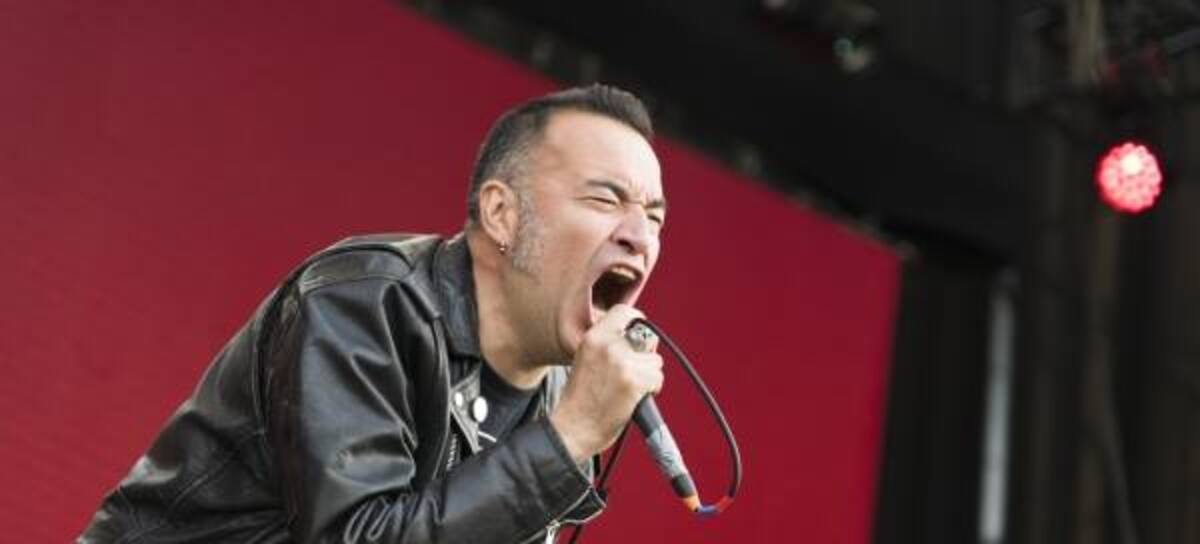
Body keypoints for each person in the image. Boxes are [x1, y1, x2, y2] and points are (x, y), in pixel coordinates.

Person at [79, 84, 669, 543]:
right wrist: (567, 439)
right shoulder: (367, 304)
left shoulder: (560, 397)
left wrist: (566, 440)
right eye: (605, 198)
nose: (639, 236)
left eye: (654, 218)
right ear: (501, 214)